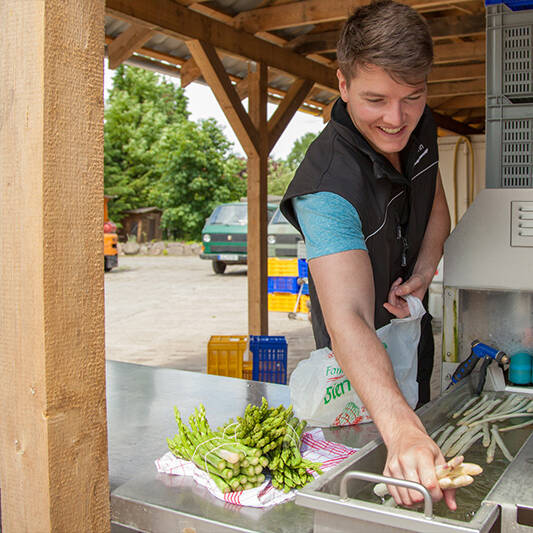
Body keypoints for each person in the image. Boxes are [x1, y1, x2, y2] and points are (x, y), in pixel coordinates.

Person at [280, 0, 453, 509]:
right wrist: (401, 429)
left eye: (412, 97)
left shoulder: (418, 124)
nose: (396, 120)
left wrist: (425, 270)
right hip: (350, 384)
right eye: (375, 100)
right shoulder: (326, 186)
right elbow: (348, 318)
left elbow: (434, 200)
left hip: (409, 341)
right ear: (343, 84)